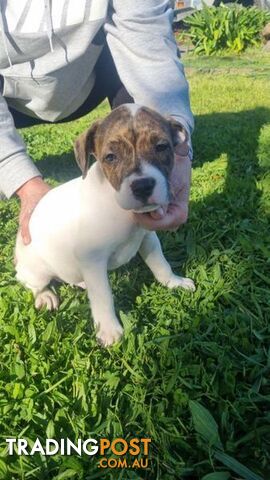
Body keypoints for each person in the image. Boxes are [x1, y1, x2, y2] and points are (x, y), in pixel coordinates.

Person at [0, 0, 194, 245]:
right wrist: (23, 181)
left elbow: (148, 40)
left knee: (134, 55)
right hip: (9, 91)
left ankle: (136, 161)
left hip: (89, 77)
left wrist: (179, 149)